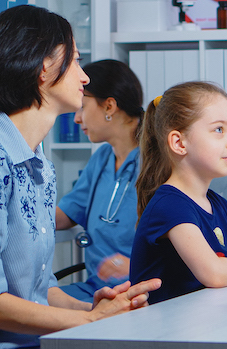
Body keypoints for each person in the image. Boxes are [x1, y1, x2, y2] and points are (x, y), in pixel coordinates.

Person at [0, 6, 160, 348]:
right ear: (44, 68)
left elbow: (39, 291)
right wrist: (89, 320)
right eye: (75, 62)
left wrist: (97, 309)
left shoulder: (36, 164)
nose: (84, 78)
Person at [129, 81, 227, 304]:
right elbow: (215, 274)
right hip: (165, 333)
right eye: (219, 130)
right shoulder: (170, 206)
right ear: (179, 142)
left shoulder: (216, 204)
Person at [55, 59, 144, 302]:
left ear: (109, 106)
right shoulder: (102, 158)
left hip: (138, 290)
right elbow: (65, 215)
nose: (76, 118)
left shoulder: (157, 163)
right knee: (29, 304)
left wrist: (139, 264)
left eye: (82, 106)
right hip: (95, 288)